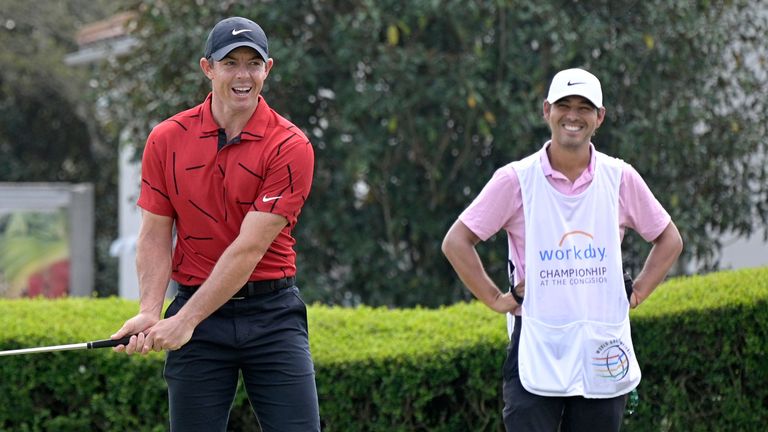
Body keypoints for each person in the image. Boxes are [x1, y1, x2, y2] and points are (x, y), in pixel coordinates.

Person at [441, 68, 683, 431]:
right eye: (563, 105)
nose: (573, 115)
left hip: (602, 351)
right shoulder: (516, 179)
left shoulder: (619, 177)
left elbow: (669, 239)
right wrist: (495, 299)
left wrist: (635, 294)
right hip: (537, 348)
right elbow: (457, 242)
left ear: (599, 117)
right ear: (546, 111)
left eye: (584, 107)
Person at [110, 16, 320, 432]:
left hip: (272, 316)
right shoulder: (166, 139)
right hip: (196, 310)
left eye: (253, 64)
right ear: (208, 68)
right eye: (230, 63)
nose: (243, 75)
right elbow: (154, 233)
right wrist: (151, 312)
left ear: (268, 69)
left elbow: (248, 248)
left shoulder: (290, 146)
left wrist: (184, 320)